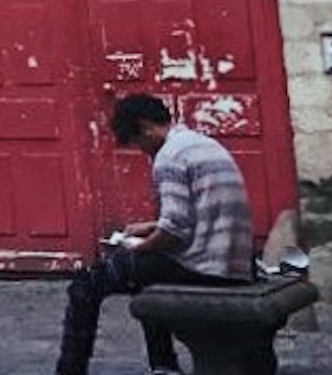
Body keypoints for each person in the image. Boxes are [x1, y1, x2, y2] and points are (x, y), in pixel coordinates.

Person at [55, 93, 257, 375]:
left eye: (138, 140)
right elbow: (197, 212)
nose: (141, 149)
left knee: (86, 284)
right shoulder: (201, 144)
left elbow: (174, 231)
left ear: (146, 127)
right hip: (231, 260)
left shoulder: (169, 158)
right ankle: (163, 365)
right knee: (144, 277)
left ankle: (70, 371)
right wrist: (150, 226)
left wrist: (139, 246)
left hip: (202, 265)